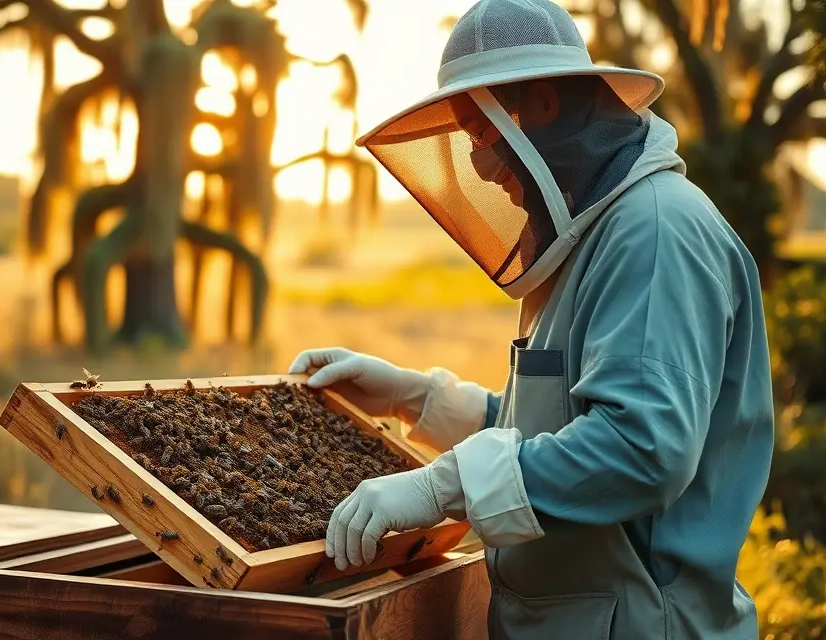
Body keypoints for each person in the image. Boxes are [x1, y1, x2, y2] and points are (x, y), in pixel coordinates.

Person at [288, 0, 775, 637]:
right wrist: (416, 398)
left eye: (481, 132)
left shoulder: (654, 232)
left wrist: (440, 489)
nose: (480, 167)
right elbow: (557, 433)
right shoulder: (601, 234)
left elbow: (639, 448)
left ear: (542, 105)